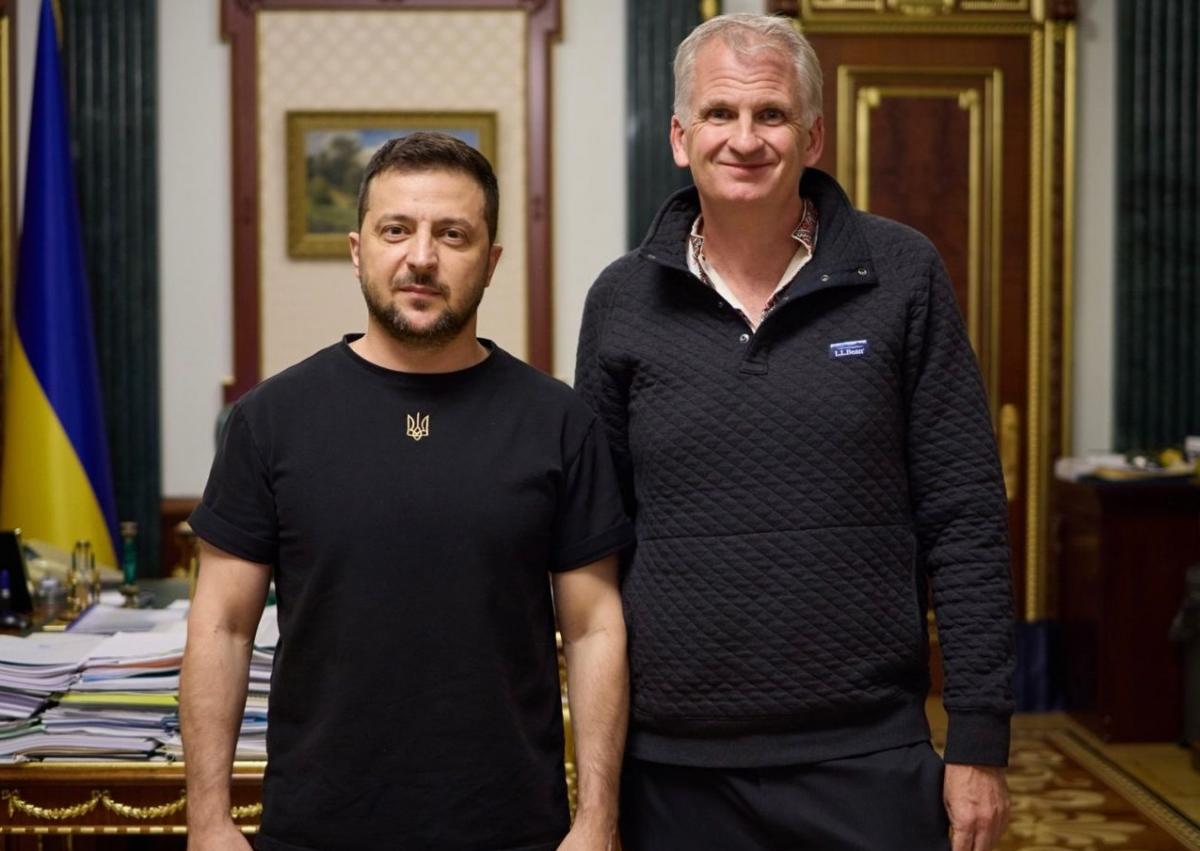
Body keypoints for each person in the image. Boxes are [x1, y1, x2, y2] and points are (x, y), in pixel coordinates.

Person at [575, 14, 1014, 851]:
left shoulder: (904, 273)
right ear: (680, 137)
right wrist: (598, 790)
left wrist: (979, 738)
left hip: (868, 754)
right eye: (719, 113)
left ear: (812, 137)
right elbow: (594, 545)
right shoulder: (621, 301)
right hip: (674, 765)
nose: (745, 139)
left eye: (770, 114)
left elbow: (964, 514)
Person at [181, 132, 632, 851]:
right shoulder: (270, 420)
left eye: (452, 234)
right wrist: (208, 820)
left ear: (490, 262)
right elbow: (221, 628)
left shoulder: (558, 422)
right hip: (315, 829)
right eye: (396, 230)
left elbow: (593, 630)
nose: (421, 257)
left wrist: (597, 819)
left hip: (513, 829)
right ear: (358, 250)